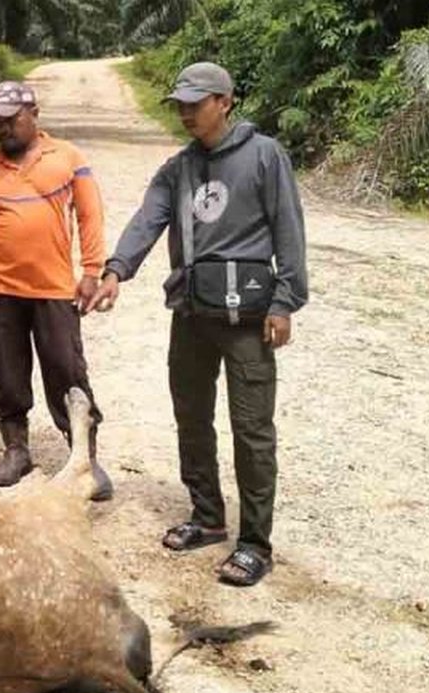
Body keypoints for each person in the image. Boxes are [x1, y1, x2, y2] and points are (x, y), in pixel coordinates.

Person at [96, 61, 308, 586]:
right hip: (191, 313)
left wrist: (285, 301)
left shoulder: (265, 156)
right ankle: (208, 516)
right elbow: (147, 219)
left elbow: (289, 231)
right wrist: (115, 270)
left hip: (248, 319)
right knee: (191, 417)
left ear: (225, 101)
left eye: (197, 103)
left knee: (252, 431)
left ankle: (255, 543)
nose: (187, 113)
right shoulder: (179, 167)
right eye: (182, 104)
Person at [0, 80, 115, 501]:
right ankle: (16, 449)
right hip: (1, 290)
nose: (4, 128)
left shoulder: (68, 159)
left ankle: (85, 458)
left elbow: (90, 216)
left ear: (33, 114)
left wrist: (92, 270)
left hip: (55, 290)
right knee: (6, 372)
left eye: (11, 119)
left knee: (66, 370)